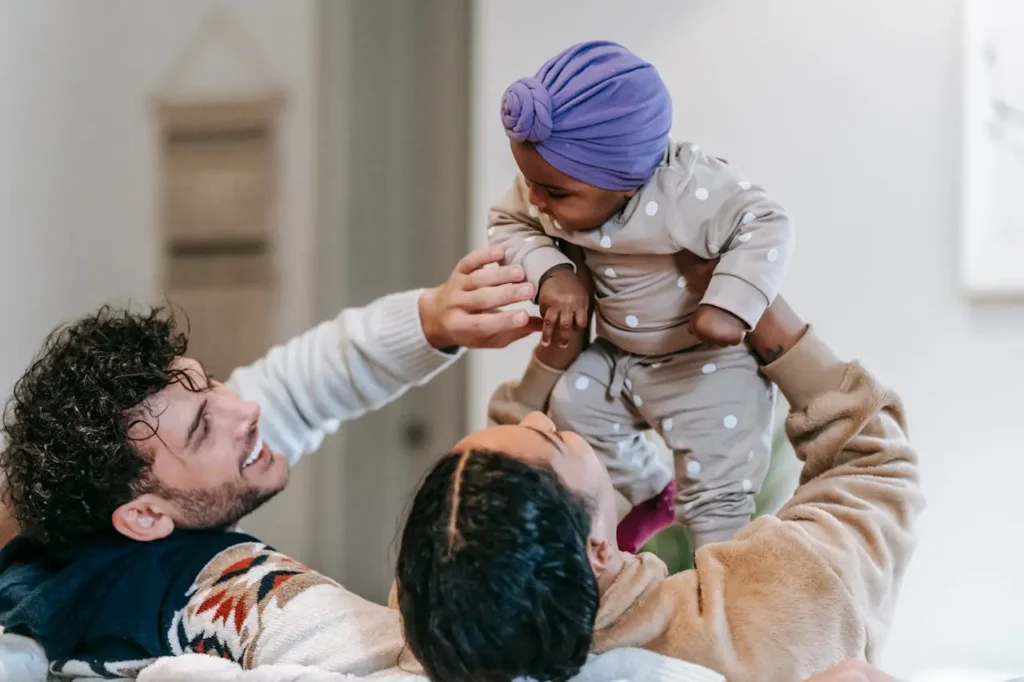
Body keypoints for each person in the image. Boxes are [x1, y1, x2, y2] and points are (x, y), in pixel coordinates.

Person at [0, 247, 541, 679]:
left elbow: (297, 387)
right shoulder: (225, 594)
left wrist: (432, 320)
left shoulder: (51, 558)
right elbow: (427, 667)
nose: (246, 407)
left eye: (211, 385)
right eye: (204, 428)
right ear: (143, 517)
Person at [395, 253, 924, 682]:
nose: (539, 414)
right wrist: (763, 313)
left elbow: (499, 520)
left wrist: (551, 364)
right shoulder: (763, 614)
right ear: (597, 550)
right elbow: (874, 466)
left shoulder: (447, 628)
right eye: (550, 437)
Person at [488, 40, 796, 552]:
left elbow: (767, 221)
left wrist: (731, 302)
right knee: (574, 405)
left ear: (627, 182)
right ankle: (654, 495)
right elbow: (507, 221)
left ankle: (724, 582)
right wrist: (553, 271)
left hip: (706, 366)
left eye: (555, 192)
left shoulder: (686, 190)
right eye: (529, 182)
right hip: (621, 358)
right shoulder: (544, 189)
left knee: (717, 503)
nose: (536, 199)